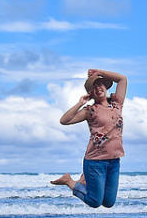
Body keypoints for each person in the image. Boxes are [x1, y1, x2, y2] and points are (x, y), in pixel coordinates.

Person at [51, 69, 127, 208]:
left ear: (106, 86)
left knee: (109, 203)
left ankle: (85, 179)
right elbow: (64, 120)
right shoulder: (90, 111)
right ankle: (69, 181)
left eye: (100, 84)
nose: (98, 88)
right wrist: (80, 103)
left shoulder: (117, 104)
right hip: (95, 161)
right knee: (94, 202)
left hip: (114, 160)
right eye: (94, 87)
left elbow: (122, 79)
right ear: (91, 93)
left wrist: (99, 72)